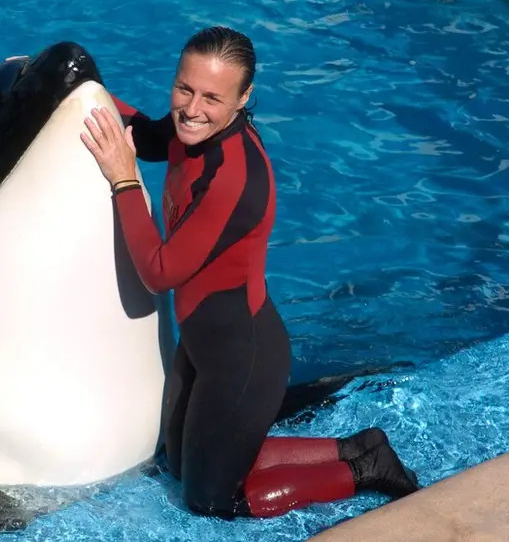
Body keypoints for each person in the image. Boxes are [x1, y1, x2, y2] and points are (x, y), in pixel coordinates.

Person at [80, 26, 421, 519]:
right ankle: (355, 446)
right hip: (202, 341)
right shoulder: (190, 131)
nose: (192, 109)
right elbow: (147, 138)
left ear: (243, 98)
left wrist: (123, 179)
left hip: (242, 356)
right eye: (184, 89)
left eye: (212, 97)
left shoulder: (233, 177)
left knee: (209, 500)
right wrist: (74, 86)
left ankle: (365, 468)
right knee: (178, 464)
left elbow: (159, 272)